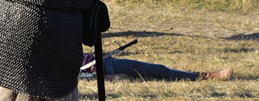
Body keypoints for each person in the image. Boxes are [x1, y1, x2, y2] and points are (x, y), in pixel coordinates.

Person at [81, 52, 232, 81]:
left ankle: (204, 76)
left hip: (106, 62)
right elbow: (78, 77)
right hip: (100, 72)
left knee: (160, 70)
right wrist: (107, 78)